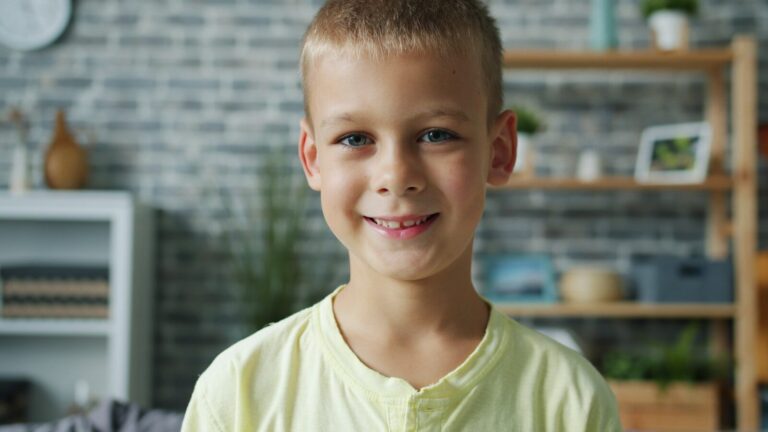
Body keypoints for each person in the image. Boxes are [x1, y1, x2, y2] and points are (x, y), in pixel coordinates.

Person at [181, 0, 622, 430]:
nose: (395, 176)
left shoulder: (570, 401)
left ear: (500, 151)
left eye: (436, 135)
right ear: (313, 158)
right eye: (355, 139)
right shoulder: (239, 391)